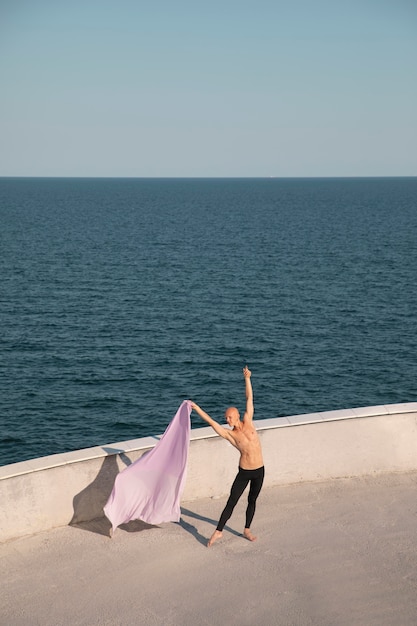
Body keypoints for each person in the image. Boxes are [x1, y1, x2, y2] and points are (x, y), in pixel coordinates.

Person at [191, 366, 264, 547]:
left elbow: (249, 398)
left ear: (237, 415)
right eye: (226, 418)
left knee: (252, 500)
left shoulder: (248, 419)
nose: (228, 420)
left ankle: (247, 529)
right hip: (245, 471)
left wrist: (247, 378)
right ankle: (218, 532)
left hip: (260, 470)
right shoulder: (229, 434)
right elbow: (211, 422)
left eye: (230, 417)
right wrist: (197, 408)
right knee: (232, 501)